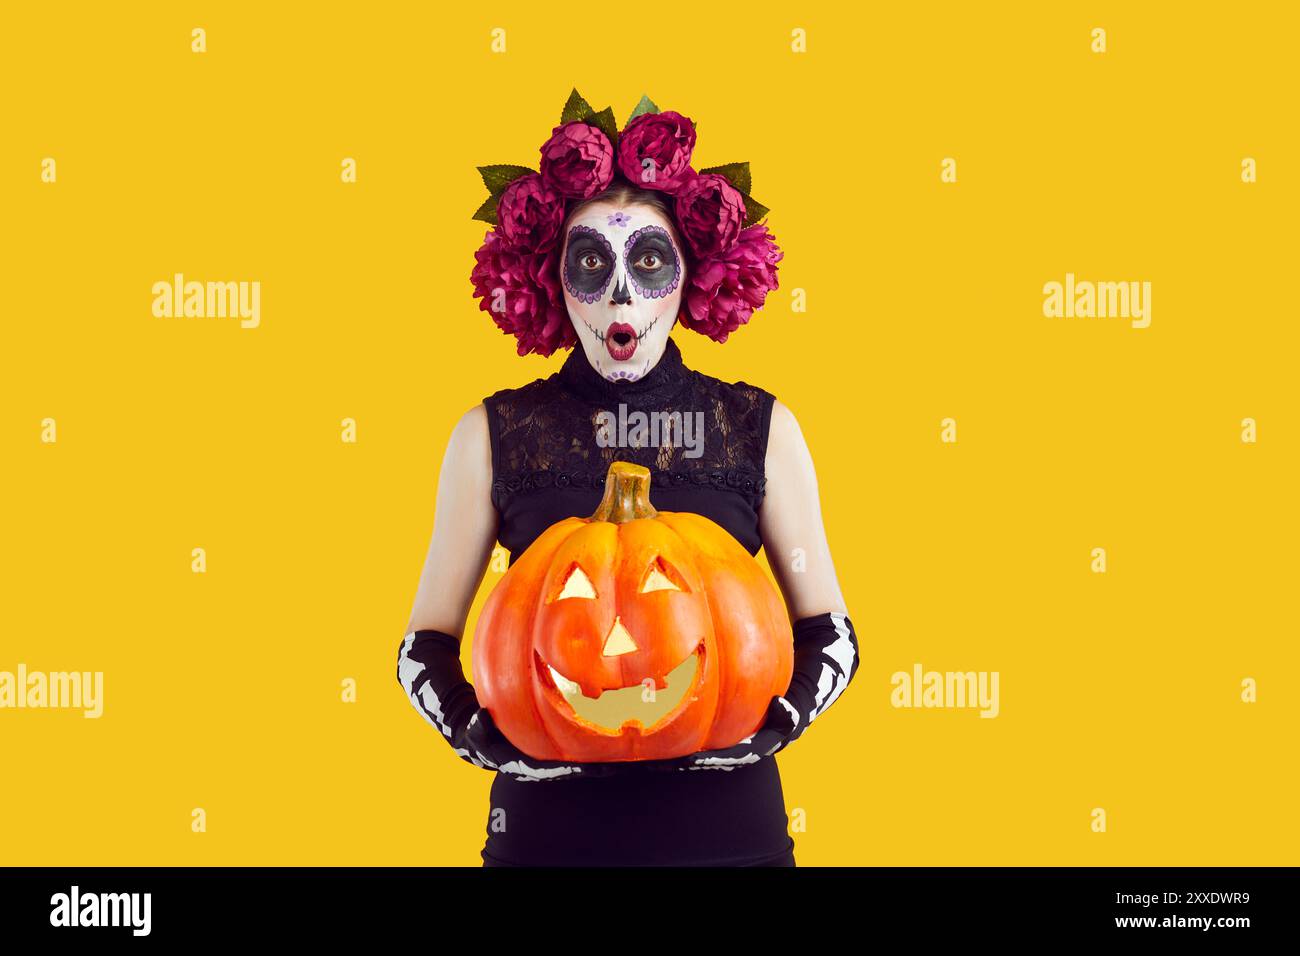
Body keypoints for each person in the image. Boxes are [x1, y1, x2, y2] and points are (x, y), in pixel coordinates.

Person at [397, 92, 859, 866]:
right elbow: (422, 644)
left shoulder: (759, 426)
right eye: (591, 263)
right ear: (549, 278)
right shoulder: (490, 434)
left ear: (693, 274)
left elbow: (831, 632)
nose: (619, 295)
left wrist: (766, 729)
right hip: (546, 844)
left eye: (647, 261)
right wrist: (489, 744)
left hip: (731, 844)